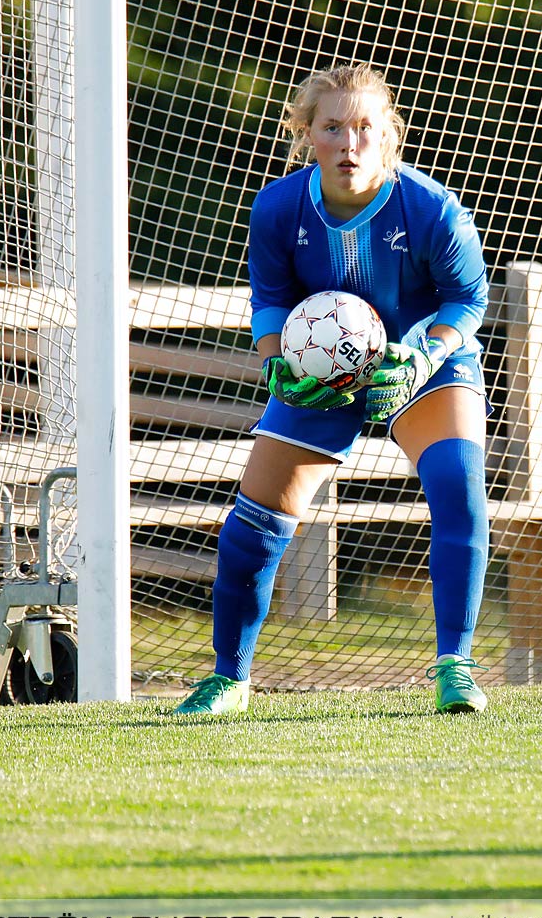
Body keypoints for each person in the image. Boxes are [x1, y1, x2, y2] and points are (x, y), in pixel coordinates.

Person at [171, 63, 493, 717]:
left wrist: (420, 357)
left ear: (389, 137)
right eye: (332, 127)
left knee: (460, 487)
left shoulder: (433, 209)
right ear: (307, 135)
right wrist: (274, 366)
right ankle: (229, 680)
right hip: (323, 371)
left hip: (421, 362)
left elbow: (467, 300)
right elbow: (270, 304)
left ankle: (454, 669)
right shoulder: (278, 208)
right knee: (253, 523)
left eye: (365, 128)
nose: (349, 143)